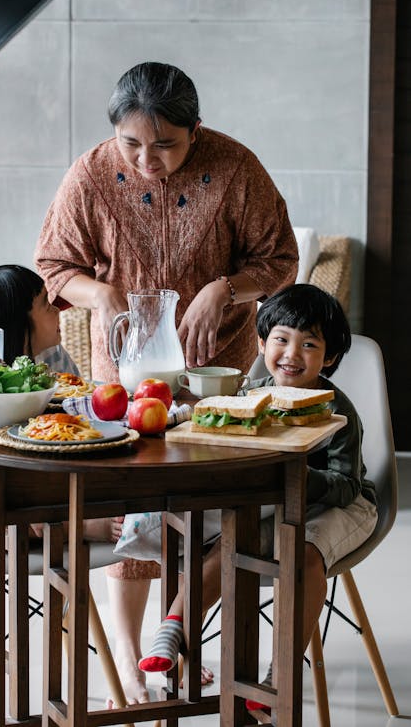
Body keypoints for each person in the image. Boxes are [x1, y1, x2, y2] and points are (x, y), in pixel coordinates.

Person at [34, 61, 299, 705]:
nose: (146, 160)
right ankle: (132, 664)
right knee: (138, 511)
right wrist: (103, 295)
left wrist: (226, 289)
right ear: (113, 135)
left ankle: (177, 645)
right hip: (122, 374)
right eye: (132, 144)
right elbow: (52, 265)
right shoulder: (93, 172)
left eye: (165, 145)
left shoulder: (236, 168)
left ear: (196, 131)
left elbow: (282, 260)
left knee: (204, 511)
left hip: (214, 375)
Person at [138, 284, 378, 723]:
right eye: (281, 340)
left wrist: (302, 479)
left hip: (340, 506)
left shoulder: (336, 409)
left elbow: (346, 485)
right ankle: (172, 627)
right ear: (262, 344)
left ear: (328, 358)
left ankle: (276, 677)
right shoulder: (250, 396)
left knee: (304, 558)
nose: (292, 353)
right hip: (274, 502)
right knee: (229, 542)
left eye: (309, 344)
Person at [0, 264, 123, 545]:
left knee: (68, 488)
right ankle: (56, 529)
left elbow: (75, 420)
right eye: (46, 304)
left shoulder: (55, 360)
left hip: (41, 476)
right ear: (16, 327)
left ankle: (32, 528)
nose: (58, 309)